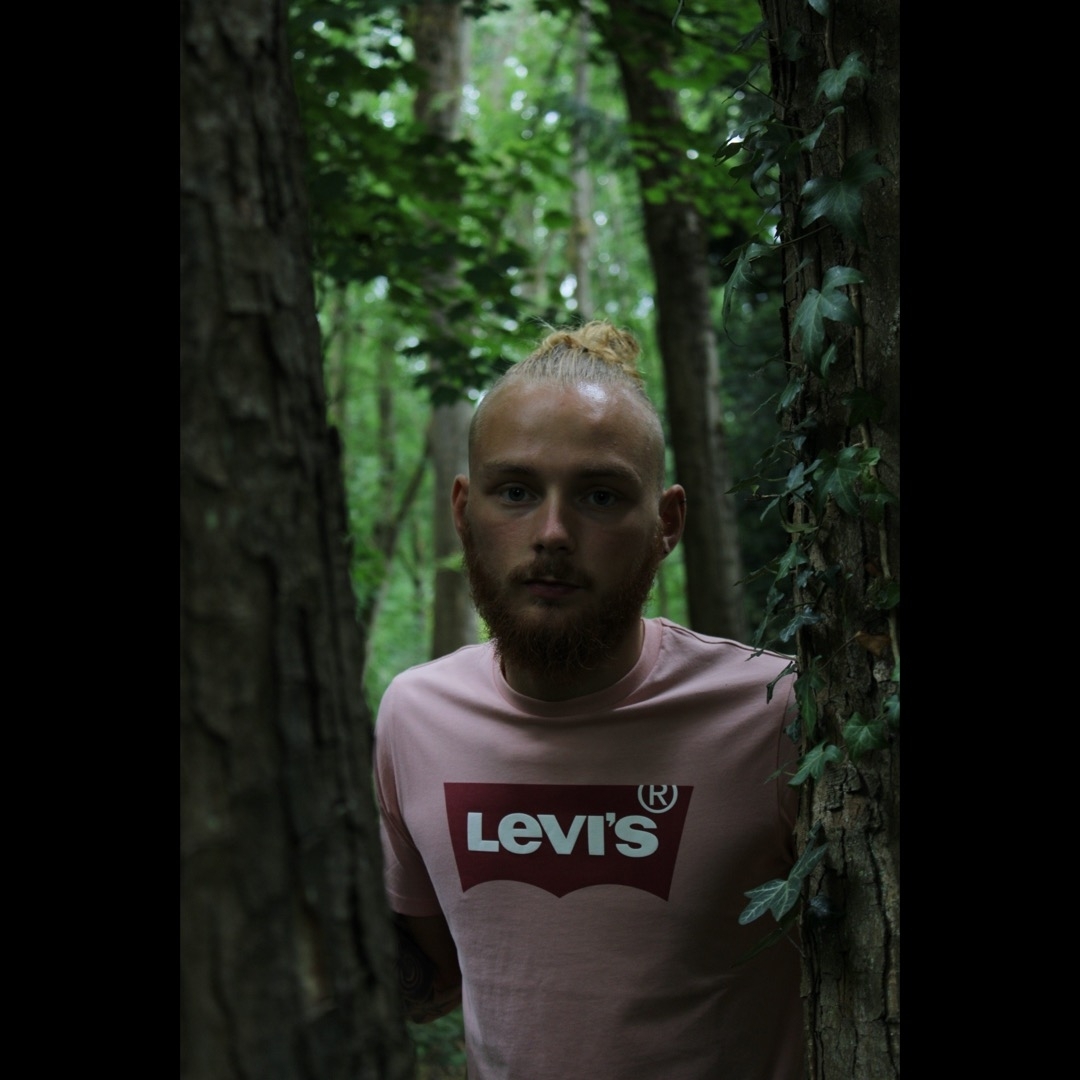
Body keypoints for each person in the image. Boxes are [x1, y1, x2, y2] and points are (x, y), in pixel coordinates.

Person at [374, 321, 803, 1079]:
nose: (552, 533)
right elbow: (429, 984)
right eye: (516, 491)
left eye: (600, 496)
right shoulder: (415, 716)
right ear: (463, 510)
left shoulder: (776, 712)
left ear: (666, 523)